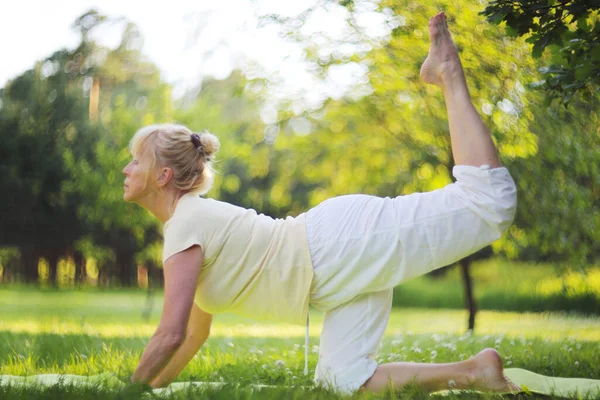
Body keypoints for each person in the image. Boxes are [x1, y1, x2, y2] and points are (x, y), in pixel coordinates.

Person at [125, 12, 520, 395]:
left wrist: (127, 393)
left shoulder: (186, 223)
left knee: (489, 202)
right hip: (332, 275)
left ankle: (448, 72)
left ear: (163, 177)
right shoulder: (189, 224)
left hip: (336, 245)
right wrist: (150, 389)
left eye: (135, 161)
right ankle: (475, 373)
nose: (126, 169)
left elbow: (169, 333)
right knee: (342, 381)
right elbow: (193, 335)